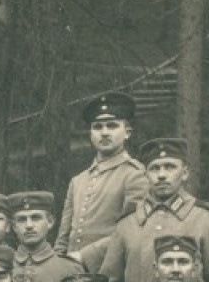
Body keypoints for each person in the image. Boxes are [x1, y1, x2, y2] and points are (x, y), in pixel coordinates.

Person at [98, 137, 209, 282]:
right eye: (155, 168)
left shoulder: (205, 220)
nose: (162, 175)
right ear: (146, 174)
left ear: (184, 173)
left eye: (170, 167)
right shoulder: (127, 224)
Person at [55, 91, 148, 264]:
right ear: (90, 133)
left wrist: (85, 256)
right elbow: (63, 237)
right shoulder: (78, 181)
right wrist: (57, 264)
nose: (104, 133)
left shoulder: (134, 175)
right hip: (72, 272)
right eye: (97, 127)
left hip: (111, 272)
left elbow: (131, 232)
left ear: (127, 132)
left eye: (112, 126)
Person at [8, 190, 81, 282]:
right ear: (14, 227)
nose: (29, 225)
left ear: (50, 222)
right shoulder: (4, 267)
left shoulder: (70, 268)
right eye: (22, 219)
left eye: (35, 218)